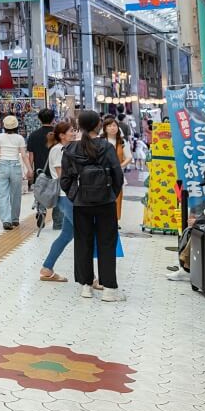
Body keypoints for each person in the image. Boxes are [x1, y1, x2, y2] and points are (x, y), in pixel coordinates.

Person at [61, 109, 126, 301]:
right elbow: (118, 175)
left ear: (79, 125)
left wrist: (76, 196)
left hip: (82, 204)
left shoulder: (71, 149)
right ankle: (109, 290)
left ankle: (85, 286)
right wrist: (111, 194)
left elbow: (65, 180)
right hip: (105, 201)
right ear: (98, 125)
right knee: (107, 242)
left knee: (83, 242)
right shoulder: (106, 147)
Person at [40, 121, 76, 283]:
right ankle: (91, 277)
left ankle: (47, 268)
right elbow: (63, 176)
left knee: (67, 234)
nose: (74, 133)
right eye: (71, 131)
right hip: (64, 195)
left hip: (68, 195)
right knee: (84, 232)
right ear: (62, 135)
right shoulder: (58, 150)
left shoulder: (66, 148)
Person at [170, 166, 205, 281]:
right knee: (192, 230)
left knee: (196, 230)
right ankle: (186, 267)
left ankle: (186, 268)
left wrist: (198, 221)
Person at [0, 115, 31, 231]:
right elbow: (24, 156)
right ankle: (15, 219)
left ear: (4, 126)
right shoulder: (20, 138)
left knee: (2, 194)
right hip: (15, 166)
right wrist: (29, 169)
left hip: (3, 165)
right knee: (15, 194)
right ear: (16, 126)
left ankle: (6, 220)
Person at [101, 116, 132, 219]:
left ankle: (115, 219)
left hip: (117, 176)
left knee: (117, 197)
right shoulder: (100, 140)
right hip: (101, 175)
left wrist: (119, 167)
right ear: (105, 128)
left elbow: (129, 157)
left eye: (114, 125)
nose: (112, 128)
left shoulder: (122, 142)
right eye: (109, 126)